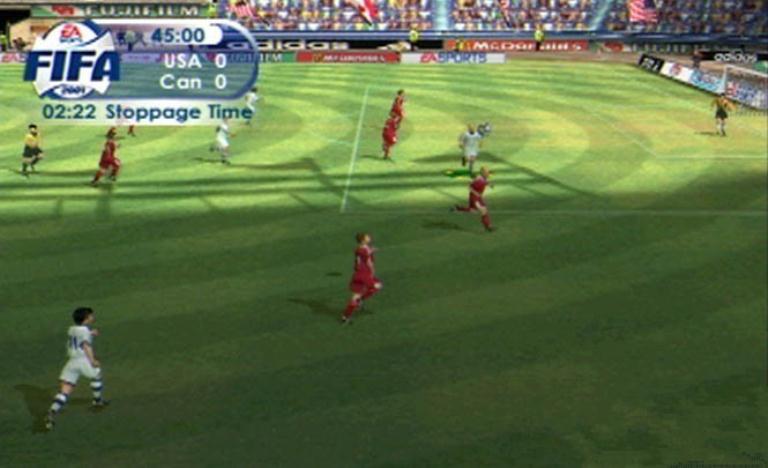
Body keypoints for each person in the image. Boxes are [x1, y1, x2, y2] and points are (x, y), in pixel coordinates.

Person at [45, 307, 108, 431]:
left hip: (71, 362)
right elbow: (86, 346)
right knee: (97, 375)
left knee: (65, 390)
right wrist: (93, 361)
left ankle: (52, 412)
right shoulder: (84, 331)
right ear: (86, 318)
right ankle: (97, 400)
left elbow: (78, 337)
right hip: (83, 360)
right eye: (91, 316)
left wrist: (91, 333)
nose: (93, 317)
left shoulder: (71, 329)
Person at [341, 233, 382, 323]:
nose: (369, 237)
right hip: (364, 274)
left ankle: (345, 316)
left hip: (357, 274)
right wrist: (372, 272)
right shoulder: (365, 250)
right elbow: (369, 263)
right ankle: (360, 300)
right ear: (363, 240)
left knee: (355, 296)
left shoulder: (359, 249)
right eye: (367, 237)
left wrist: (371, 250)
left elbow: (364, 253)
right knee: (377, 286)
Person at [453, 166, 495, 232]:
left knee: (473, 210)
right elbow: (469, 187)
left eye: (488, 172)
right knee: (483, 210)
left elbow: (486, 182)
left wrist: (490, 185)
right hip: (474, 198)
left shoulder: (483, 178)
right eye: (487, 172)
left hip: (478, 197)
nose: (488, 174)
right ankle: (488, 227)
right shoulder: (478, 180)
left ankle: (457, 208)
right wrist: (476, 193)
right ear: (483, 173)